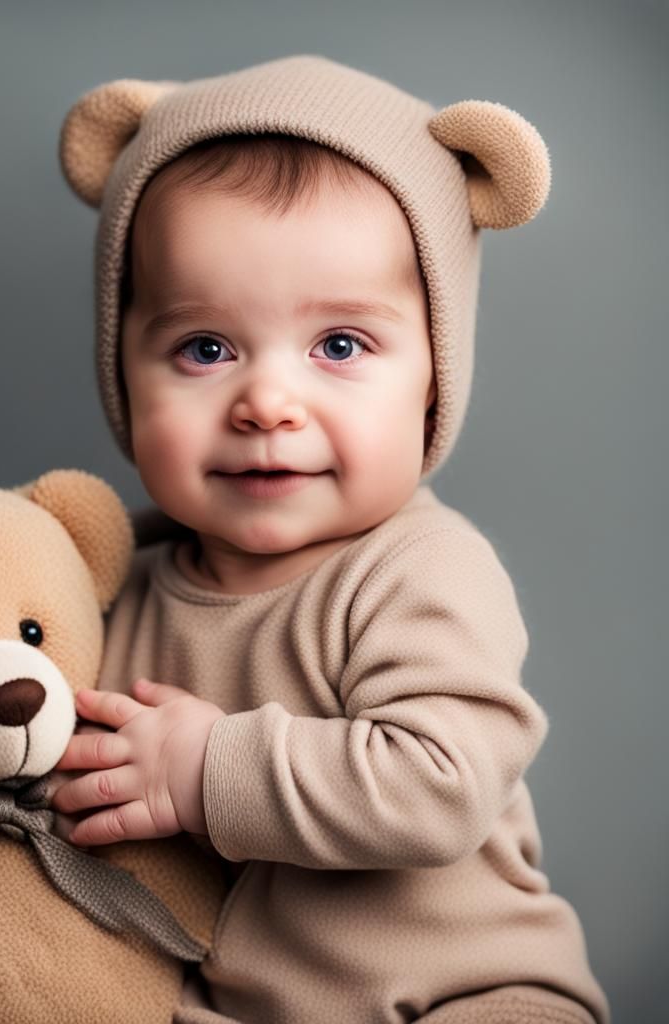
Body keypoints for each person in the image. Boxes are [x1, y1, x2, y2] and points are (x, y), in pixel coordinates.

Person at [50, 55, 609, 1023]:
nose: (267, 403)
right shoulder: (114, 585)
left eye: (340, 346)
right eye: (204, 348)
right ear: (124, 370)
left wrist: (203, 766)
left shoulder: (419, 570)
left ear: (432, 378)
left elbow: (437, 785)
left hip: (465, 991)